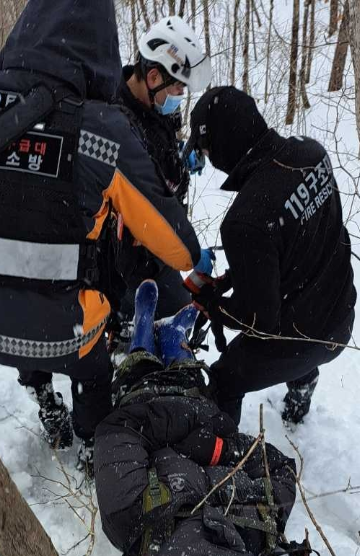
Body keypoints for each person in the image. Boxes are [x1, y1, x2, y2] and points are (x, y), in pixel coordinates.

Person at [0, 0, 202, 468]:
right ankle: (92, 444)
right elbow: (177, 246)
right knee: (89, 365)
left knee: (21, 299)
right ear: (101, 51)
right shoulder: (101, 130)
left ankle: (43, 396)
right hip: (64, 330)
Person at [94, 280, 297, 556]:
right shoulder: (257, 523)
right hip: (197, 407)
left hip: (145, 402)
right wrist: (220, 448)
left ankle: (144, 327)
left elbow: (120, 430)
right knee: (187, 370)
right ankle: (174, 338)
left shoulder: (130, 518)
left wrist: (187, 434)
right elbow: (279, 467)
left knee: (139, 364)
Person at [185, 86, 357, 425]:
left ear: (221, 144)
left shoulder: (245, 221)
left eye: (205, 149)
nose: (208, 158)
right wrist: (231, 280)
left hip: (304, 339)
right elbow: (291, 242)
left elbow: (258, 322)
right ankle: (302, 385)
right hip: (341, 312)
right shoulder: (311, 154)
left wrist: (212, 305)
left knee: (223, 380)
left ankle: (226, 463)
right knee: (297, 319)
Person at [109, 16, 212, 333]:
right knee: (177, 323)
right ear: (152, 76)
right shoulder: (116, 124)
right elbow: (148, 197)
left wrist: (181, 154)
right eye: (178, 87)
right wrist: (187, 250)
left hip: (161, 237)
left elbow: (163, 141)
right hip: (132, 255)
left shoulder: (154, 102)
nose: (180, 94)